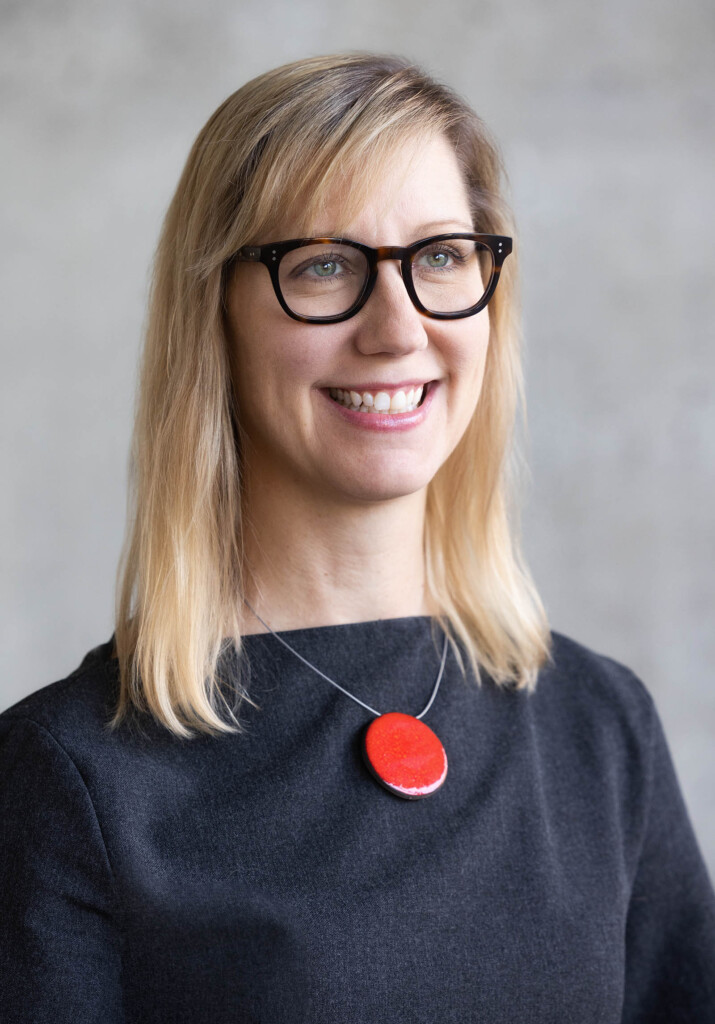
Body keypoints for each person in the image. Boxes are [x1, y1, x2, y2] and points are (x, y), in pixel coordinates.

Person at [1, 53, 713, 1023]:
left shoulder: (601, 732)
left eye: (439, 257)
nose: (398, 326)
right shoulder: (68, 776)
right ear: (217, 319)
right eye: (326, 265)